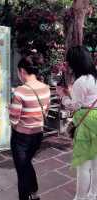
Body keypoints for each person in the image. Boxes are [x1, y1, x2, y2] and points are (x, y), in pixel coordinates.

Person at [9, 57, 50, 200]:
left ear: (22, 71)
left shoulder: (20, 91)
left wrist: (9, 109)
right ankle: (34, 191)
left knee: (22, 171)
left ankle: (27, 196)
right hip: (38, 135)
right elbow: (46, 111)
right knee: (26, 163)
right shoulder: (45, 88)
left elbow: (14, 120)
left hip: (21, 139)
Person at [60, 46, 97, 200]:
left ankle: (80, 198)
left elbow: (74, 106)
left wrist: (63, 97)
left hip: (87, 123)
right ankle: (93, 194)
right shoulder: (94, 78)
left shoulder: (81, 81)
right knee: (96, 163)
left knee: (84, 165)